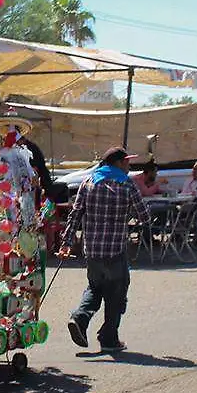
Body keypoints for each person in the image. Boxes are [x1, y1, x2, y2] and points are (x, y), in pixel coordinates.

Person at [59, 146, 147, 353]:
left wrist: (66, 243)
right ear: (118, 163)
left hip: (92, 251)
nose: (129, 165)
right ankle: (109, 339)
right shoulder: (127, 185)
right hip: (115, 250)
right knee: (116, 294)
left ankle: (79, 318)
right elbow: (144, 216)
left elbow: (75, 215)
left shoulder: (88, 183)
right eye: (126, 162)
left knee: (95, 288)